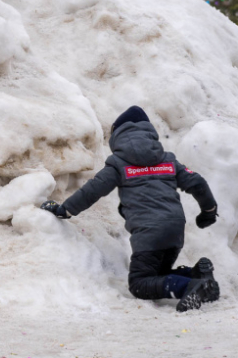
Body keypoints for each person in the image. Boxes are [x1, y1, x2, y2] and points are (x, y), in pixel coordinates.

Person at [41, 106, 221, 312]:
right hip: (175, 229)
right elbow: (197, 182)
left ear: (118, 137)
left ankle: (189, 286)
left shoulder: (119, 164)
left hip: (148, 232)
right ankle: (198, 276)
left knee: (140, 284)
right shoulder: (168, 161)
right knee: (157, 274)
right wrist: (208, 211)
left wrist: (65, 210)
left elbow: (93, 190)